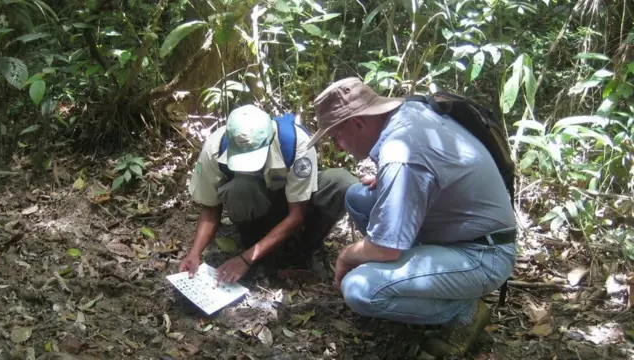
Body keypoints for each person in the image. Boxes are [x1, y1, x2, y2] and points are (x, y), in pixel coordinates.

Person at [306, 78, 517, 357]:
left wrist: (345, 255)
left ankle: (464, 311)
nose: (339, 147)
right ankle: (420, 285)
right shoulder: (409, 113)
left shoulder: (400, 152)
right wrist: (389, 181)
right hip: (456, 233)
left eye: (336, 136)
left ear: (357, 123)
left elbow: (386, 248)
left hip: (483, 253)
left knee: (358, 289)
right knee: (358, 198)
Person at [180, 104, 357, 284]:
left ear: (270, 138)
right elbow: (210, 208)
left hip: (293, 202)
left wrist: (244, 259)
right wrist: (194, 253)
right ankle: (255, 246)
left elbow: (297, 215)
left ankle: (305, 251)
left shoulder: (297, 143)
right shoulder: (215, 148)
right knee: (239, 187)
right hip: (256, 202)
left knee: (341, 182)